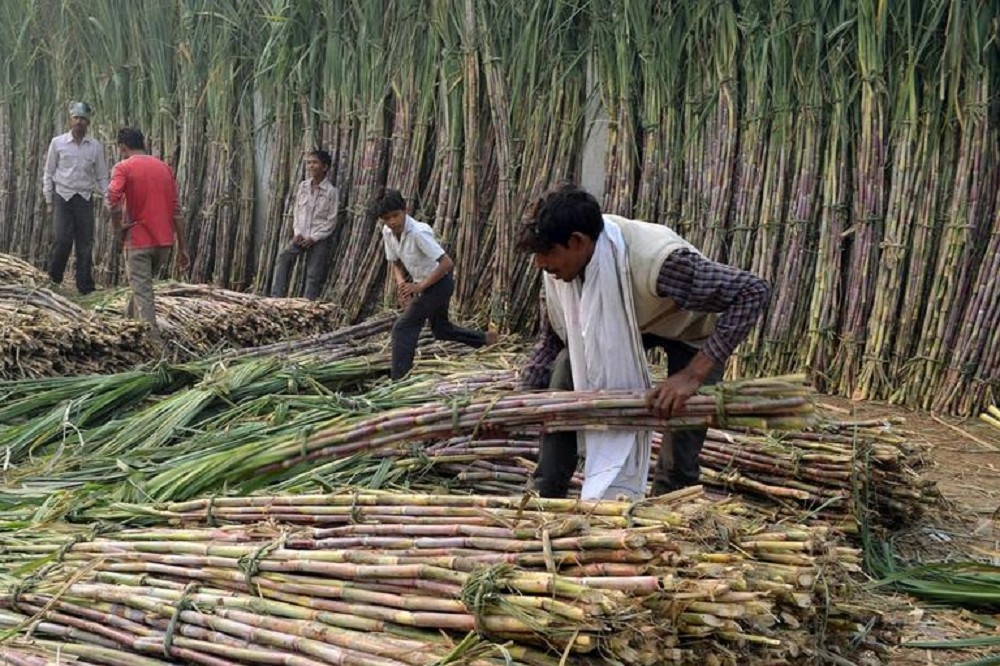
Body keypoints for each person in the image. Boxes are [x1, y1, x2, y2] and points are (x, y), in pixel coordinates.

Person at [518, 183, 770, 500]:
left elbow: (752, 291)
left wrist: (692, 376)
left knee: (686, 411)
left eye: (546, 253)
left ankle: (671, 498)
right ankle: (546, 491)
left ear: (577, 242)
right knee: (566, 368)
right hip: (632, 324)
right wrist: (519, 404)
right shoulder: (559, 275)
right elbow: (552, 340)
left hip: (686, 327)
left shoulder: (659, 262)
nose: (540, 264)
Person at [374, 188, 497, 380]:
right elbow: (395, 262)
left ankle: (399, 379)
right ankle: (486, 338)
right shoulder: (388, 232)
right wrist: (402, 285)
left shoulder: (418, 233)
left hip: (439, 285)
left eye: (395, 216)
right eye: (386, 218)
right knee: (441, 330)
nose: (392, 222)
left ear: (405, 210)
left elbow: (447, 263)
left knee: (403, 327)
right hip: (424, 285)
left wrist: (419, 287)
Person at [105, 127, 189, 345]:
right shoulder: (164, 168)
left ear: (123, 147)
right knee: (140, 287)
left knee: (143, 293)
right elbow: (177, 210)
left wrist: (118, 227)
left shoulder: (123, 167)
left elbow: (112, 197)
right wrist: (183, 248)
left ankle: (155, 348)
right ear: (143, 143)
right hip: (163, 243)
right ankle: (126, 330)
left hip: (138, 241)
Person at [42, 101, 110, 294]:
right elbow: (48, 171)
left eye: (83, 119)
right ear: (70, 120)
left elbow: (102, 175)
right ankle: (54, 280)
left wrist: (108, 198)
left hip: (84, 197)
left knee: (85, 243)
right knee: (62, 239)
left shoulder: (95, 146)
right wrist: (48, 199)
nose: (79, 122)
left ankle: (85, 286)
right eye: (76, 118)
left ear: (88, 122)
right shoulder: (58, 143)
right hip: (62, 196)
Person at [270, 150, 338, 300]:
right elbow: (297, 212)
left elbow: (331, 221)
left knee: (313, 274)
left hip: (319, 239)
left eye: (315, 162)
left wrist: (314, 238)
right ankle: (276, 298)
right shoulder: (303, 186)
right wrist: (297, 232)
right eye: (308, 163)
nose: (310, 166)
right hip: (300, 237)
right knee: (283, 258)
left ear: (325, 167)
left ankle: (307, 304)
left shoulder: (331, 192)